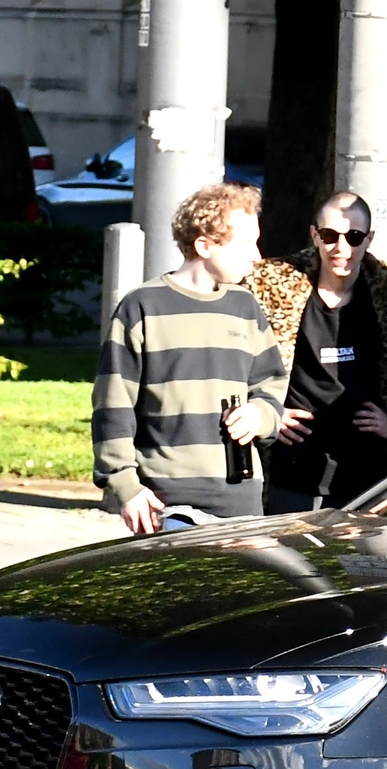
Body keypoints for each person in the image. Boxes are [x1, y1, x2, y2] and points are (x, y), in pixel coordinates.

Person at [93, 182, 286, 535]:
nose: (257, 255)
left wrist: (259, 416)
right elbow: (113, 406)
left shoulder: (246, 308)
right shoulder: (142, 308)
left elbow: (271, 385)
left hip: (241, 502)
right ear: (204, 245)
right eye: (246, 242)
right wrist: (125, 487)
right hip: (166, 504)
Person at [262, 192, 387, 513]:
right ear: (314, 235)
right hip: (294, 466)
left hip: (367, 470)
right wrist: (269, 413)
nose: (342, 249)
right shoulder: (275, 288)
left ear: (369, 239)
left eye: (354, 237)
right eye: (330, 236)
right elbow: (241, 360)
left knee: (360, 561)